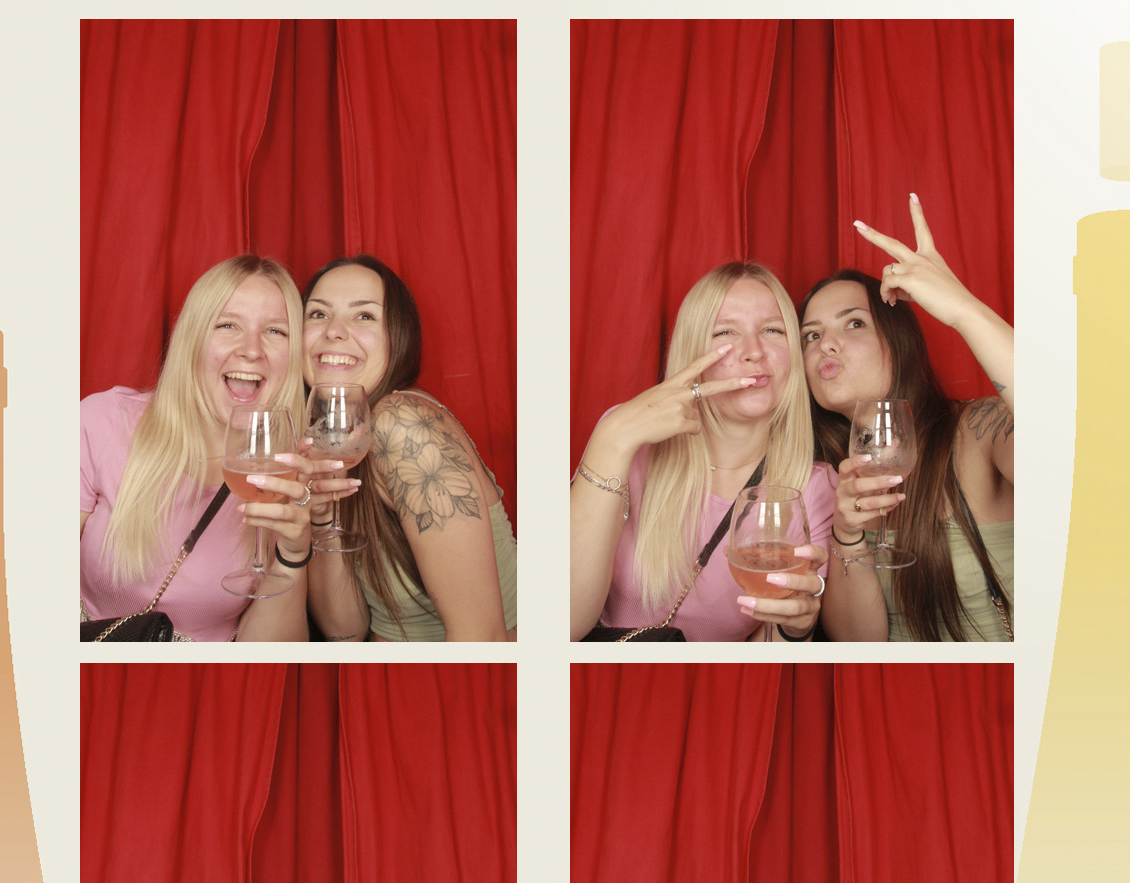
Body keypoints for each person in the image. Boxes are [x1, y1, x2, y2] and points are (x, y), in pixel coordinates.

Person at [569, 263, 834, 642]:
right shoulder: (627, 439)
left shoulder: (817, 488)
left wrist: (796, 629)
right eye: (725, 332)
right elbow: (560, 625)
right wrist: (611, 438)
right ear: (692, 353)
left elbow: (766, 660)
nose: (754, 352)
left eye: (772, 331)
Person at [801, 196, 1014, 641]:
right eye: (811, 335)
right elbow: (860, 646)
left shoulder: (979, 429)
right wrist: (846, 534)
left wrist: (963, 309)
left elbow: (1081, 449)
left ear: (899, 340)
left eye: (853, 323)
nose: (826, 344)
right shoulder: (819, 479)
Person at [81, 255, 321, 642]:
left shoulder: (291, 474)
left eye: (276, 331)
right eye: (227, 325)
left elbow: (267, 659)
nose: (252, 350)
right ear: (192, 339)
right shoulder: (101, 421)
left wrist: (293, 554)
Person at [301, 256, 517, 641]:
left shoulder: (403, 425)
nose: (334, 331)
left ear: (397, 337)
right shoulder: (330, 437)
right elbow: (344, 630)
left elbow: (483, 639)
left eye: (364, 316)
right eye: (318, 314)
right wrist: (321, 518)